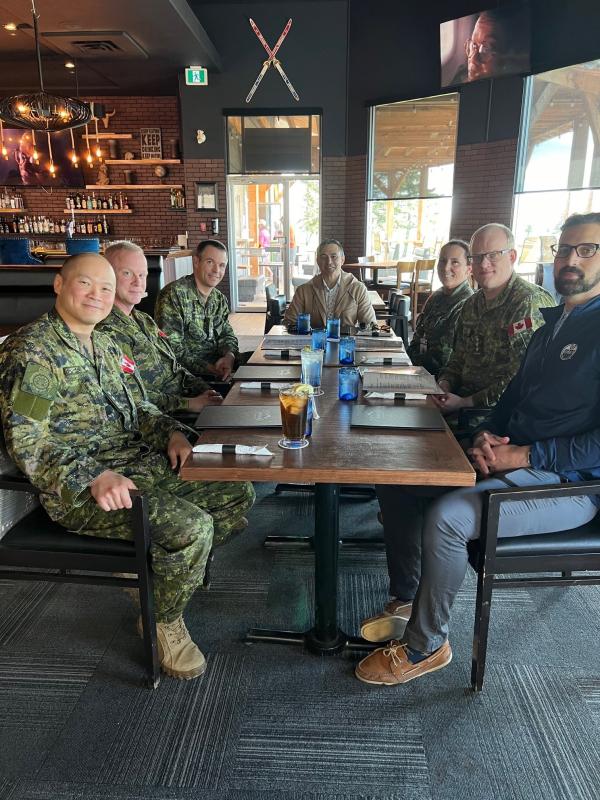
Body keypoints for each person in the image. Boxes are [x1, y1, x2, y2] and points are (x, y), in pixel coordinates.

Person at [355, 212, 600, 686]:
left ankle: (426, 645)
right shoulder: (552, 328)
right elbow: (510, 401)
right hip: (514, 459)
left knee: (448, 518)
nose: (571, 260)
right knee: (397, 482)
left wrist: (526, 456)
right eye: (565, 249)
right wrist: (486, 435)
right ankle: (406, 599)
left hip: (572, 484)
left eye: (587, 249)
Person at [0, 253, 255, 681]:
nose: (97, 296)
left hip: (138, 464)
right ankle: (163, 620)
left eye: (105, 288)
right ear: (59, 284)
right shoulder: (33, 352)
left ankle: (155, 580)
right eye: (85, 284)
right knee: (192, 528)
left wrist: (172, 433)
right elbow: (28, 443)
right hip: (85, 491)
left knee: (236, 494)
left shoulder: (105, 344)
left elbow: (139, 409)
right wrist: (94, 475)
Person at [432, 223, 554, 419]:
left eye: (493, 255)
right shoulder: (471, 304)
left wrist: (465, 403)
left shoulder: (528, 303)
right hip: (459, 404)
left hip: (496, 417)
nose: (484, 264)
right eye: (477, 257)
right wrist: (444, 385)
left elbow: (522, 378)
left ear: (512, 256)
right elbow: (458, 358)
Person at [99, 241, 222, 414]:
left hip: (189, 399)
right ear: (107, 277)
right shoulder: (103, 332)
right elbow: (129, 395)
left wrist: (206, 390)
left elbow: (174, 368)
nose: (137, 282)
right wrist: (189, 403)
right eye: (127, 273)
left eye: (142, 275)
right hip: (163, 415)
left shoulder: (144, 320)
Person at [154, 240, 240, 382]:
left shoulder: (219, 299)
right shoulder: (173, 295)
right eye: (210, 262)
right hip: (188, 376)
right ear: (196, 261)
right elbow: (171, 349)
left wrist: (229, 356)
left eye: (222, 265)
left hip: (219, 367)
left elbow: (226, 334)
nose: (216, 270)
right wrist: (209, 368)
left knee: (261, 364)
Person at [407, 239, 473, 376]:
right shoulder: (437, 296)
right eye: (442, 261)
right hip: (417, 372)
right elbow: (417, 338)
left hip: (441, 381)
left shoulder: (468, 304)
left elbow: (446, 359)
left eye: (455, 262)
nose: (446, 267)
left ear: (469, 269)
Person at [284, 239, 377, 332]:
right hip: (314, 340)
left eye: (334, 257)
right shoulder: (304, 291)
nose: (329, 262)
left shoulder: (357, 289)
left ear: (342, 260)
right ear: (318, 261)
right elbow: (289, 321)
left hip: (345, 340)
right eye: (323, 257)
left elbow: (370, 325)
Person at [452, 7, 530, 84]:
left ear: (509, 59)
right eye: (472, 46)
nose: (473, 60)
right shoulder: (460, 76)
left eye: (486, 50)